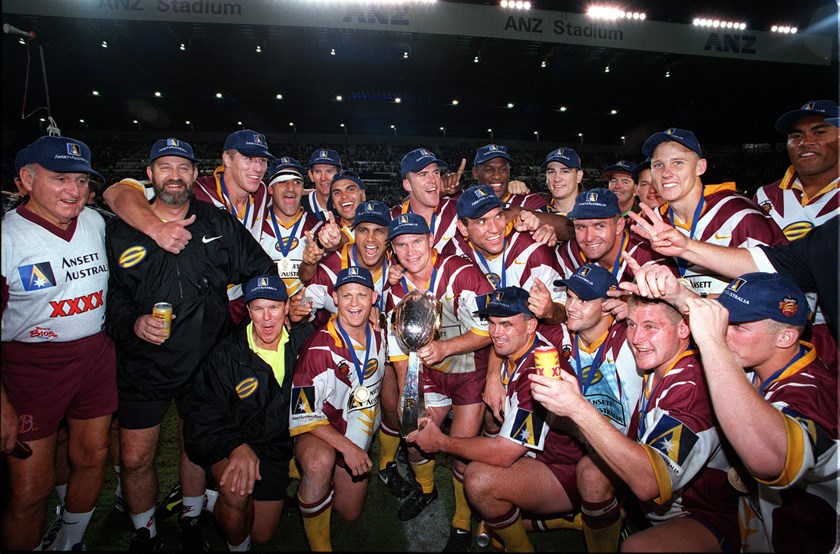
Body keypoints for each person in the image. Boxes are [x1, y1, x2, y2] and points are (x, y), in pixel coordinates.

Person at [105, 137, 276, 551]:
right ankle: (144, 531)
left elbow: (260, 268)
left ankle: (192, 516)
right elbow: (114, 298)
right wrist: (134, 323)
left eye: (183, 168)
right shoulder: (122, 227)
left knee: (195, 446)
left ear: (195, 175)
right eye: (165, 167)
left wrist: (258, 312)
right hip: (145, 361)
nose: (175, 176)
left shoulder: (217, 224)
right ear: (149, 175)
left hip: (206, 361)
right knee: (134, 457)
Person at [627, 265, 838, 552]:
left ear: (785, 337)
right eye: (725, 322)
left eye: (739, 327)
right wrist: (677, 295)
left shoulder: (812, 391)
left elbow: (771, 459)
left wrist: (712, 342)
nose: (724, 333)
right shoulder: (762, 362)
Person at [530, 294, 741, 552]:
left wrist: (577, 409)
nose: (637, 338)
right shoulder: (659, 364)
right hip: (658, 502)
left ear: (684, 328)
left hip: (704, 512)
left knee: (636, 549)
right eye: (631, 324)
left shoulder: (691, 387)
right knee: (591, 472)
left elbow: (650, 482)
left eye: (651, 327)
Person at [1, 136, 116, 552]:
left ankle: (69, 542)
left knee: (93, 455)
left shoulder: (96, 223)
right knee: (30, 488)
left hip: (95, 355)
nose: (74, 190)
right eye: (60, 178)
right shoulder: (8, 238)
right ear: (25, 180)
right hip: (29, 366)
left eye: (82, 180)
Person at [407, 287, 586, 552]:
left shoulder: (542, 372)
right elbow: (497, 346)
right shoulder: (516, 348)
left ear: (531, 325)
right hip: (538, 454)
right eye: (491, 323)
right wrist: (493, 377)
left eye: (506, 324)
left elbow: (503, 454)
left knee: (479, 480)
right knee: (491, 423)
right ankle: (557, 521)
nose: (496, 333)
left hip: (563, 469)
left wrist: (441, 442)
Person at [385, 213, 494, 550]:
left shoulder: (460, 271)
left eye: (416, 241)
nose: (410, 250)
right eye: (401, 245)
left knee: (461, 449)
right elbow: (400, 351)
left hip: (469, 372)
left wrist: (446, 346)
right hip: (429, 373)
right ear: (393, 250)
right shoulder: (396, 291)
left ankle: (462, 520)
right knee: (414, 435)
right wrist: (409, 393)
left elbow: (492, 328)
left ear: (430, 240)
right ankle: (428, 488)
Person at [183, 275, 313, 551]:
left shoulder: (305, 341)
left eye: (274, 307)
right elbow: (200, 415)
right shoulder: (227, 354)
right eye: (258, 308)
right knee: (237, 492)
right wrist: (235, 446)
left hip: (276, 447)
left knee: (263, 534)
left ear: (287, 307)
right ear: (248, 309)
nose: (267, 318)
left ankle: (212, 498)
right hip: (236, 441)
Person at [103, 130, 275, 324]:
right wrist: (155, 228)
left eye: (262, 161)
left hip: (243, 299)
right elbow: (117, 192)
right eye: (249, 158)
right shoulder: (190, 189)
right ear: (226, 159)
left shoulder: (262, 192)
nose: (258, 168)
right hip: (198, 303)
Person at [626, 207, 838, 353]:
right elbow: (772, 263)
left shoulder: (800, 393)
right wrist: (685, 249)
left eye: (738, 326)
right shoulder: (831, 236)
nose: (726, 332)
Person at [290, 267, 387, 552]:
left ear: (374, 298)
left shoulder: (381, 333)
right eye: (346, 296)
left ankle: (323, 477)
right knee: (319, 463)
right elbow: (304, 414)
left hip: (358, 422)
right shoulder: (319, 350)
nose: (355, 303)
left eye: (362, 295)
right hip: (319, 428)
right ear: (335, 298)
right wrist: (346, 447)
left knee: (350, 512)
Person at [552, 264, 643, 551]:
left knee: (591, 475)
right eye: (569, 297)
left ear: (607, 306)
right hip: (588, 438)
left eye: (582, 300)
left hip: (635, 449)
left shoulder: (631, 342)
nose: (571, 307)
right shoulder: (563, 337)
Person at [640, 127, 785, 296]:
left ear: (700, 167)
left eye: (677, 163)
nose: (666, 173)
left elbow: (784, 287)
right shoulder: (654, 221)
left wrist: (721, 302)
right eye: (658, 165)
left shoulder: (739, 213)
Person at [752, 99, 838, 368]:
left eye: (820, 131)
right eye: (796, 136)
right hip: (776, 330)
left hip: (831, 328)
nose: (805, 142)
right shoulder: (765, 195)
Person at [258, 157, 320, 297]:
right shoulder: (256, 225)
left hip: (305, 311)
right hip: (265, 312)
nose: (291, 188)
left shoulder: (318, 227)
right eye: (282, 182)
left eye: (297, 182)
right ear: (270, 189)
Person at [471, 144, 547, 210]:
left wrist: (518, 211)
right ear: (475, 173)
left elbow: (558, 220)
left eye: (503, 169)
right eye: (489, 170)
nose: (497, 176)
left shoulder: (526, 200)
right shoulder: (465, 203)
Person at [538, 147, 584, 216]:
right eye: (551, 172)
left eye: (565, 171)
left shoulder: (596, 212)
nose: (557, 179)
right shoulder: (536, 206)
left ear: (578, 176)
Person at [303, 148, 342, 222]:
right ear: (311, 175)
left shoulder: (348, 206)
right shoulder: (299, 207)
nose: (323, 178)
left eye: (329, 171)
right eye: (318, 172)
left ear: (339, 174)